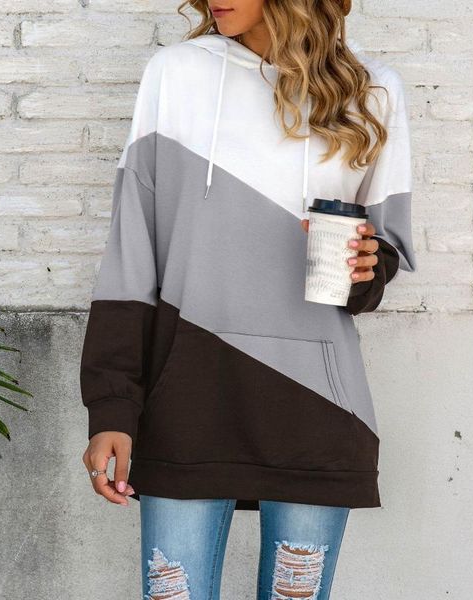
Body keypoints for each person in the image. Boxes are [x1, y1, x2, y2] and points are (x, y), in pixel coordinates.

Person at [80, 0, 416, 598]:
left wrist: (366, 266)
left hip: (316, 405)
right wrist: (112, 405)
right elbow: (130, 256)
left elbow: (380, 253)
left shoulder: (372, 91)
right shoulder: (176, 74)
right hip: (185, 400)